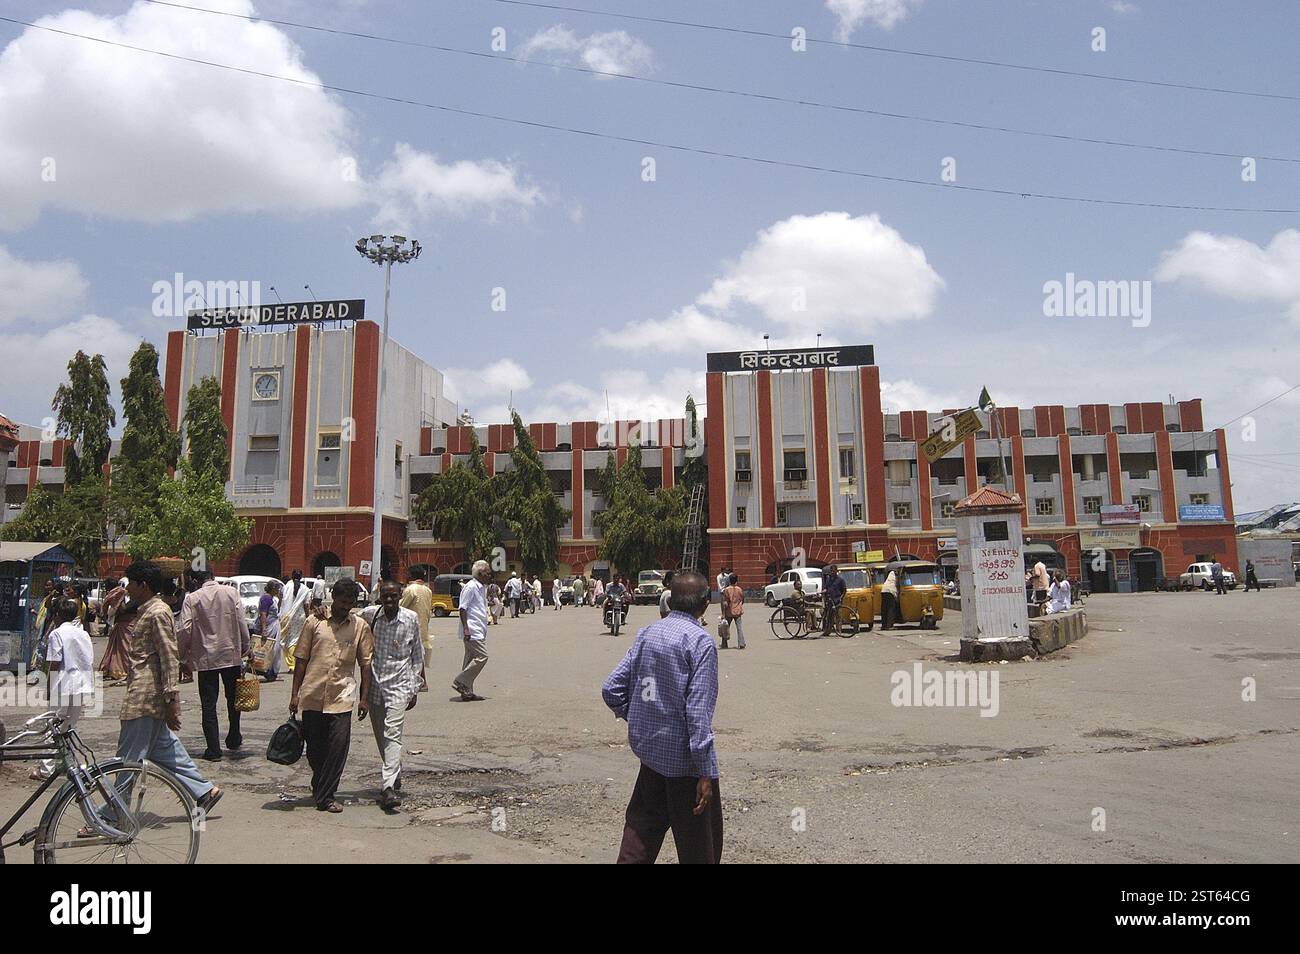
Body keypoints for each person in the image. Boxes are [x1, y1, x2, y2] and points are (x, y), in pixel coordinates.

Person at [602, 571, 722, 864]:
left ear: (669, 598)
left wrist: (641, 718)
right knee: (698, 846)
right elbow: (697, 714)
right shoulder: (700, 643)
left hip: (651, 757)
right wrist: (705, 772)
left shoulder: (647, 633)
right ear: (705, 603)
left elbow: (612, 688)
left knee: (641, 833)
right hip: (686, 766)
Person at [117, 561, 222, 814]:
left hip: (144, 696)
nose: (127, 588)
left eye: (130, 583)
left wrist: (172, 701)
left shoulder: (158, 612)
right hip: (146, 695)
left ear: (143, 585)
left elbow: (168, 655)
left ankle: (113, 814)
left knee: (127, 760)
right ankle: (204, 791)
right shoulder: (147, 610)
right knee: (163, 749)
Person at [290, 578, 375, 813]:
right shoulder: (314, 622)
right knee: (315, 750)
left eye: (350, 603)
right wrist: (294, 694)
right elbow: (301, 659)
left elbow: (366, 664)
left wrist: (364, 698)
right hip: (313, 694)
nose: (345, 606)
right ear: (333, 598)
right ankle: (320, 783)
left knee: (338, 747)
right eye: (342, 602)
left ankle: (326, 796)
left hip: (342, 696)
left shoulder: (360, 627)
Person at [360, 581, 423, 811]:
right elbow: (346, 617)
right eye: (385, 597)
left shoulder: (410, 619)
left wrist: (415, 686)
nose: (389, 601)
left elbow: (417, 653)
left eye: (393, 597)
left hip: (400, 686)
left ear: (400, 596)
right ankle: (394, 770)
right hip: (375, 686)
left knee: (393, 734)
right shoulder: (370, 615)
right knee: (381, 736)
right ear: (380, 597)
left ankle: (388, 787)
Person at [179, 567, 252, 761]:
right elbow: (241, 621)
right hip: (230, 655)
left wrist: (182, 657)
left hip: (206, 658)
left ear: (195, 580)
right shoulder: (231, 592)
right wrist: (246, 645)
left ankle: (213, 749)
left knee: (209, 704)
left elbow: (185, 629)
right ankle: (234, 736)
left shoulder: (192, 598)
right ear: (213, 576)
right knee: (233, 699)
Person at [31, 598, 94, 780]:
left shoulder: (57, 634)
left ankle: (46, 769)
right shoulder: (83, 633)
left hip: (64, 684)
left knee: (52, 726)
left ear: (57, 616)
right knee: (70, 726)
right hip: (82, 684)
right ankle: (70, 765)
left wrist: (50, 686)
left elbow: (55, 662)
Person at [453, 560, 492, 701]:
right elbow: (463, 608)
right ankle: (461, 681)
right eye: (488, 573)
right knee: (482, 656)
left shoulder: (481, 587)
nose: (490, 576)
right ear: (481, 574)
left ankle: (467, 691)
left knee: (470, 658)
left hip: (479, 628)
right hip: (472, 629)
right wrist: (466, 629)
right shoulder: (470, 587)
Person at [400, 568, 434, 691]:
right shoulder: (428, 590)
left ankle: (420, 682)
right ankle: (421, 682)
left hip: (409, 627)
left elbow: (400, 606)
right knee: (418, 655)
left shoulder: (410, 589)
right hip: (423, 625)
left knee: (410, 655)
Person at [98, 578, 133, 683]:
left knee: (124, 649)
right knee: (119, 649)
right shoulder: (118, 593)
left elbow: (120, 609)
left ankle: (125, 669)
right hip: (121, 625)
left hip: (125, 625)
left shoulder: (119, 593)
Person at [280, 569, 312, 674]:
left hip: (287, 616)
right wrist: (308, 616)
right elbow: (307, 605)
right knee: (296, 640)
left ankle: (292, 665)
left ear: (292, 576)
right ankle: (298, 662)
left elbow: (280, 602)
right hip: (300, 617)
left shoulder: (285, 587)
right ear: (301, 577)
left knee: (287, 640)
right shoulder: (305, 589)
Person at [257, 579, 284, 681]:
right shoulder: (266, 599)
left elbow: (275, 610)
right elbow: (263, 614)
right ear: (273, 589)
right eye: (277, 589)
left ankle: (272, 672)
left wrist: (280, 600)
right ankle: (268, 671)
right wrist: (264, 629)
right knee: (270, 649)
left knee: (275, 650)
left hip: (274, 625)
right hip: (269, 627)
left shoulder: (272, 599)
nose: (278, 591)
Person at [820, 565, 847, 639]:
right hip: (830, 601)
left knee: (838, 617)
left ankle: (839, 631)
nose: (832, 572)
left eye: (833, 570)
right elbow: (826, 588)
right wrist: (823, 591)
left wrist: (841, 598)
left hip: (837, 601)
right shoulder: (828, 579)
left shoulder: (840, 580)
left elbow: (844, 590)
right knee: (829, 617)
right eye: (831, 570)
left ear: (836, 571)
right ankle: (827, 631)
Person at [720, 573, 746, 649]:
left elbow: (725, 603)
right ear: (736, 581)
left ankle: (724, 644)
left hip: (729, 611)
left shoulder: (726, 590)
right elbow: (742, 600)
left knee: (725, 628)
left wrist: (723, 613)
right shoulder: (739, 589)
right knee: (739, 628)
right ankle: (741, 643)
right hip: (738, 611)